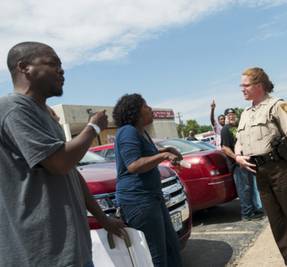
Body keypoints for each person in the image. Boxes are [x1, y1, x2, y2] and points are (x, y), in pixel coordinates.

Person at [0, 41, 125, 267]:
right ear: (24, 67)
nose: (62, 70)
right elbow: (58, 163)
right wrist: (93, 128)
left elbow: (71, 173)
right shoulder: (13, 108)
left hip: (72, 250)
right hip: (41, 255)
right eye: (52, 63)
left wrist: (103, 219)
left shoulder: (42, 114)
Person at [235, 67, 287, 267]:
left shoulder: (277, 105)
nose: (242, 89)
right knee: (278, 226)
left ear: (259, 85)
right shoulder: (246, 113)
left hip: (280, 169)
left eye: (245, 85)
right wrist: (238, 155)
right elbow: (239, 140)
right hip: (260, 173)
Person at [113, 93, 183, 267]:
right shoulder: (127, 131)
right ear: (135, 112)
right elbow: (134, 165)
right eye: (146, 106)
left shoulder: (142, 132)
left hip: (153, 197)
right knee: (156, 255)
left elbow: (149, 155)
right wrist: (164, 155)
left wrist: (167, 149)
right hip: (138, 201)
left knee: (171, 248)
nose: (150, 109)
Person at [221, 108, 263, 221]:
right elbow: (225, 148)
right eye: (229, 115)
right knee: (244, 189)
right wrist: (237, 158)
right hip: (237, 165)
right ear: (225, 117)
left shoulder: (239, 127)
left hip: (248, 161)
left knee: (253, 187)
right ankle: (247, 213)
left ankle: (256, 209)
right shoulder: (225, 129)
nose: (231, 116)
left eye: (233, 114)